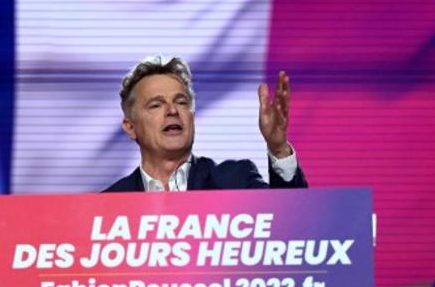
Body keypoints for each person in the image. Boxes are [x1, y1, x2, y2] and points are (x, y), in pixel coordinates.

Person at [104, 56, 307, 192]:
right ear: (130, 127)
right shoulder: (108, 204)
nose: (173, 110)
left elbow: (293, 225)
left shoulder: (235, 181)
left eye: (181, 102)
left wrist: (278, 148)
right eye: (156, 105)